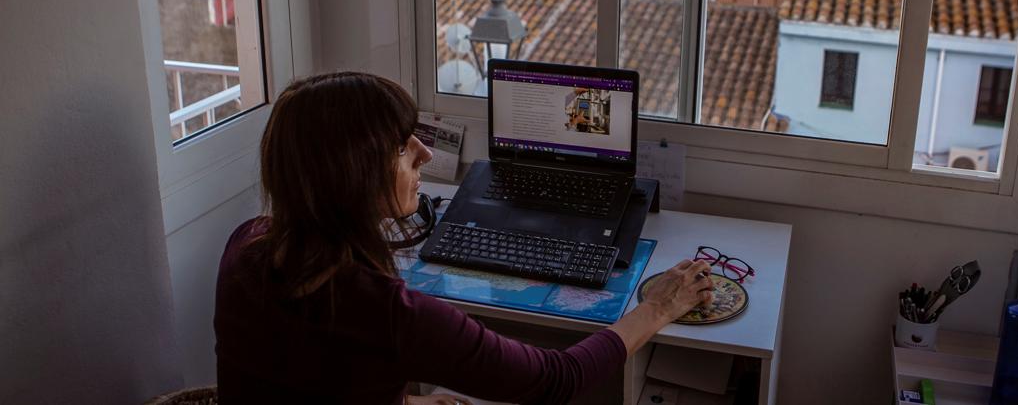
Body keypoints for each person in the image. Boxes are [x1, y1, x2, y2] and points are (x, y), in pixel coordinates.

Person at [214, 72, 714, 404]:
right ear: (354, 173)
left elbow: (303, 379)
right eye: (401, 146)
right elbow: (554, 379)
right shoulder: (386, 313)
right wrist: (656, 309)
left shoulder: (245, 247)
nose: (424, 156)